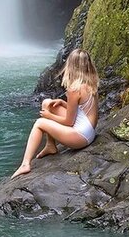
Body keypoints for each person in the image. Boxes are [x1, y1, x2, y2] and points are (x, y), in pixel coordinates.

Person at [12, 48, 100, 178]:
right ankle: (50, 146)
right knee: (47, 103)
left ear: (71, 66)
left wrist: (49, 117)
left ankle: (25, 164)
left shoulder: (74, 89)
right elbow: (84, 111)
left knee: (39, 123)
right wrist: (63, 103)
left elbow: (69, 122)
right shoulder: (91, 84)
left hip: (80, 137)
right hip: (89, 131)